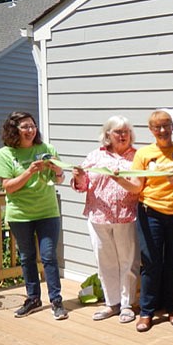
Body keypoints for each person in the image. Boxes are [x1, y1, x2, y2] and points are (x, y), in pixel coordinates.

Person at [118, 110, 173, 332]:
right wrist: (119, 180)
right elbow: (137, 186)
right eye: (157, 127)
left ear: (172, 127)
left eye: (166, 125)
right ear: (151, 130)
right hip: (151, 214)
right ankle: (147, 312)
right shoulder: (144, 154)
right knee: (151, 263)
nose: (163, 130)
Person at [0, 112, 67, 320]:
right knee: (26, 258)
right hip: (20, 215)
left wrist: (57, 171)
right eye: (25, 127)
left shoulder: (47, 149)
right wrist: (30, 171)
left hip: (47, 212)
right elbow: (8, 187)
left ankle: (56, 301)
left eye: (32, 126)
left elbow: (60, 178)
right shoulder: (4, 154)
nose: (30, 130)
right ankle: (33, 299)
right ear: (14, 130)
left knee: (48, 257)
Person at [71, 116, 139, 323]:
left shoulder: (137, 156)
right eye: (118, 132)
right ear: (107, 134)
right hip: (98, 216)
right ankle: (112, 303)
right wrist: (78, 176)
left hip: (127, 216)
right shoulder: (95, 156)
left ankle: (127, 305)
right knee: (106, 262)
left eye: (126, 131)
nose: (123, 135)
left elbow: (140, 186)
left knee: (128, 262)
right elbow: (82, 186)